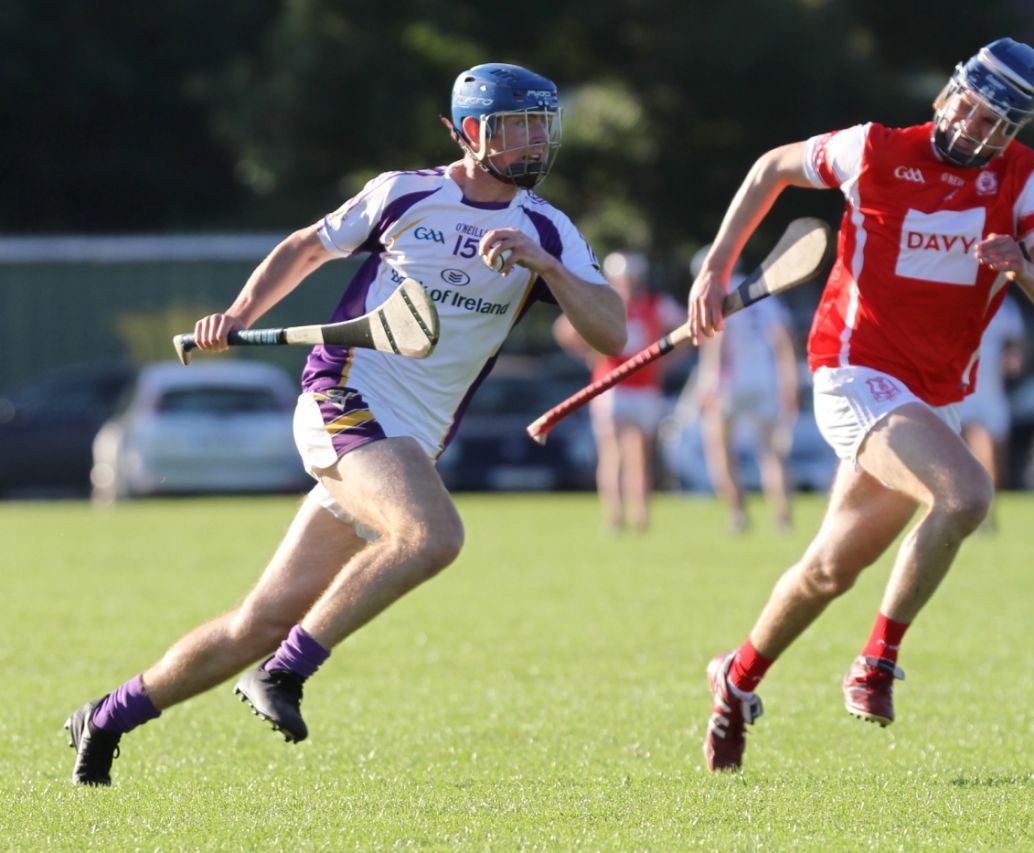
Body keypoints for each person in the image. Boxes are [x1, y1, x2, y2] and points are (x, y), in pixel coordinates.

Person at [64, 63, 626, 786]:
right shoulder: (406, 193)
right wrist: (238, 317)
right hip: (345, 395)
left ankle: (106, 716)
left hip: (404, 445)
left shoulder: (547, 228)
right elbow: (306, 247)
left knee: (257, 620)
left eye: (538, 125)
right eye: (513, 125)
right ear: (468, 132)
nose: (531, 141)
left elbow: (611, 331)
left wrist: (547, 266)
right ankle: (286, 673)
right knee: (431, 536)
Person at [686, 38, 1034, 771]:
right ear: (946, 94)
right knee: (964, 496)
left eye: (998, 123)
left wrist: (1024, 266)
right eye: (972, 106)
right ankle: (877, 661)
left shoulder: (1025, 180)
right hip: (851, 368)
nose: (977, 128)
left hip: (931, 396)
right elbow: (771, 166)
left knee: (829, 570)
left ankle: (734, 682)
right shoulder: (871, 149)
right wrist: (715, 267)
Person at [554, 251, 685, 532]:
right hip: (610, 387)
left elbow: (684, 328)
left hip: (645, 388)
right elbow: (564, 329)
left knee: (641, 455)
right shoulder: (604, 302)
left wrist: (668, 362)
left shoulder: (655, 304)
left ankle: (640, 515)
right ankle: (614, 516)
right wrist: (590, 354)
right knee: (612, 453)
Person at [690, 246, 800, 533]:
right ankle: (782, 516)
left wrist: (708, 383)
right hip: (764, 380)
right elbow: (783, 343)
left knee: (719, 447)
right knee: (770, 453)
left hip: (730, 383)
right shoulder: (764, 295)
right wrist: (789, 383)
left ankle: (737, 512)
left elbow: (716, 345)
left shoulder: (718, 294)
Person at [958, 294, 1026, 524]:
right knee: (973, 451)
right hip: (964, 391)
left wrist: (1014, 358)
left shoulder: (1006, 306)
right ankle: (971, 508)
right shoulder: (959, 295)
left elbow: (1017, 342)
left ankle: (985, 509)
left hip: (992, 392)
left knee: (996, 458)